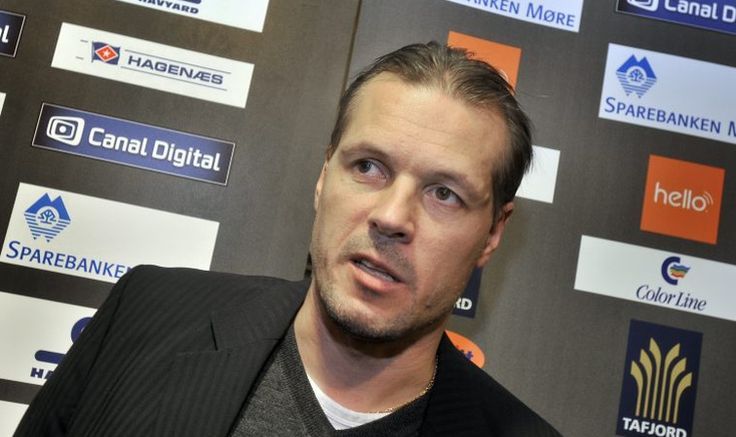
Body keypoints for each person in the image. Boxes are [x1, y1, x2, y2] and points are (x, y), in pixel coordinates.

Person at [15, 42, 562, 436]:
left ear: (492, 233)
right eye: (368, 166)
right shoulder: (146, 313)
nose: (392, 217)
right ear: (324, 176)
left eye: (444, 194)